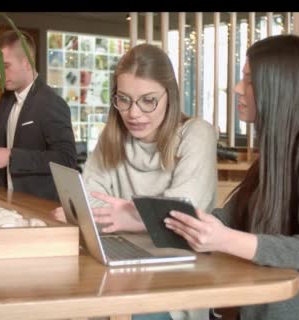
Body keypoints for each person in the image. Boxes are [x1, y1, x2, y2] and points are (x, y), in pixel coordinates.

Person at [164, 35, 299, 320]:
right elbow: (228, 219)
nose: (236, 89)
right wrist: (152, 218)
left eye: (248, 80)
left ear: (278, 86)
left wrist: (224, 240)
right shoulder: (276, 150)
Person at [53, 43, 218, 320]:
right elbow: (91, 200)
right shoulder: (113, 136)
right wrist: (99, 215)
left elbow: (183, 212)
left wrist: (128, 217)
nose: (134, 113)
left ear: (170, 96)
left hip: (175, 277)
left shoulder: (196, 134)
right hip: (120, 267)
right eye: (124, 99)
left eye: (148, 100)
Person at [0, 31, 77, 200]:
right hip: (7, 200)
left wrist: (11, 156)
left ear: (26, 63)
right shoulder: (7, 99)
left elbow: (66, 159)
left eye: (6, 67)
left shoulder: (51, 103)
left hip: (39, 205)